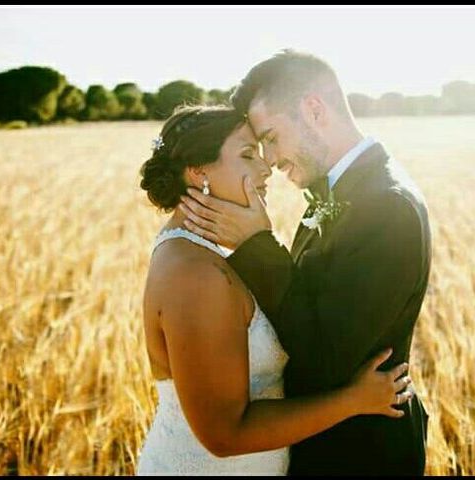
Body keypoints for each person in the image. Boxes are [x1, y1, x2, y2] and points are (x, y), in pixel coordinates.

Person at [179, 50, 431, 475]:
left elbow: (324, 354)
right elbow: (307, 298)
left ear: (314, 110)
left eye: (271, 138)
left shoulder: (387, 206)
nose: (271, 161)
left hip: (361, 457)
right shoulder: (344, 192)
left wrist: (257, 243)